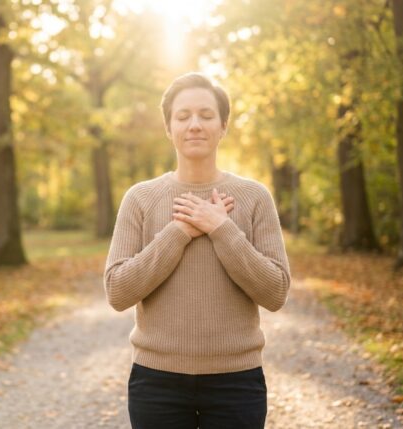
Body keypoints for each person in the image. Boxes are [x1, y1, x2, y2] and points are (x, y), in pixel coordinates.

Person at [103, 72, 291, 429]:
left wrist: (221, 228)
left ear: (223, 126)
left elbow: (276, 291)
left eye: (206, 115)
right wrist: (179, 232)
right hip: (157, 382)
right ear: (168, 127)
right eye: (183, 116)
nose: (194, 125)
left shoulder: (254, 198)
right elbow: (117, 291)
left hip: (237, 381)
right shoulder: (140, 199)